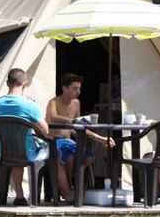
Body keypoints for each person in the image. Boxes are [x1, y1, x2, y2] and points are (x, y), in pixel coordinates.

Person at [46, 72, 115, 202]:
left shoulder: (76, 103)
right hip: (55, 141)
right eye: (74, 88)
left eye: (79, 88)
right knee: (67, 157)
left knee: (87, 156)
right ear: (64, 88)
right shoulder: (54, 102)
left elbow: (77, 128)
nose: (78, 92)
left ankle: (70, 188)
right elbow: (53, 117)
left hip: (69, 141)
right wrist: (71, 121)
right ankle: (69, 192)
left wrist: (99, 138)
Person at [0, 67, 50, 206]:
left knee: (18, 156)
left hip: (5, 152)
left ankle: (20, 195)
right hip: (28, 154)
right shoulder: (29, 105)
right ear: (25, 84)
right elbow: (46, 130)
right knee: (54, 151)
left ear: (7, 83)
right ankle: (52, 195)